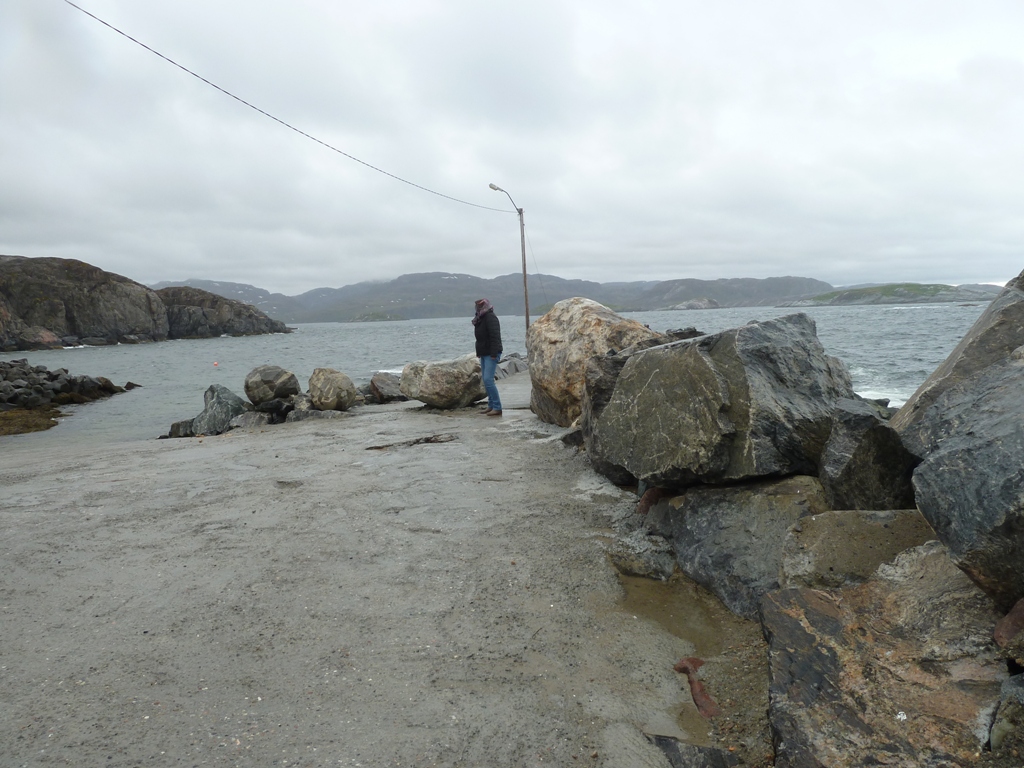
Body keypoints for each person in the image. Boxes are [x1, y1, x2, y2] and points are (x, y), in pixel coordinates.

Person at [472, 298, 503, 416]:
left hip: (491, 353)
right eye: (477, 306)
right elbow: (479, 338)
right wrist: (478, 351)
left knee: (489, 380)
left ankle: (497, 407)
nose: (478, 307)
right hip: (484, 352)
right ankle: (491, 405)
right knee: (486, 380)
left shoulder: (490, 317)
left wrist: (494, 353)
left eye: (481, 305)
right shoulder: (480, 318)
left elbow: (495, 336)